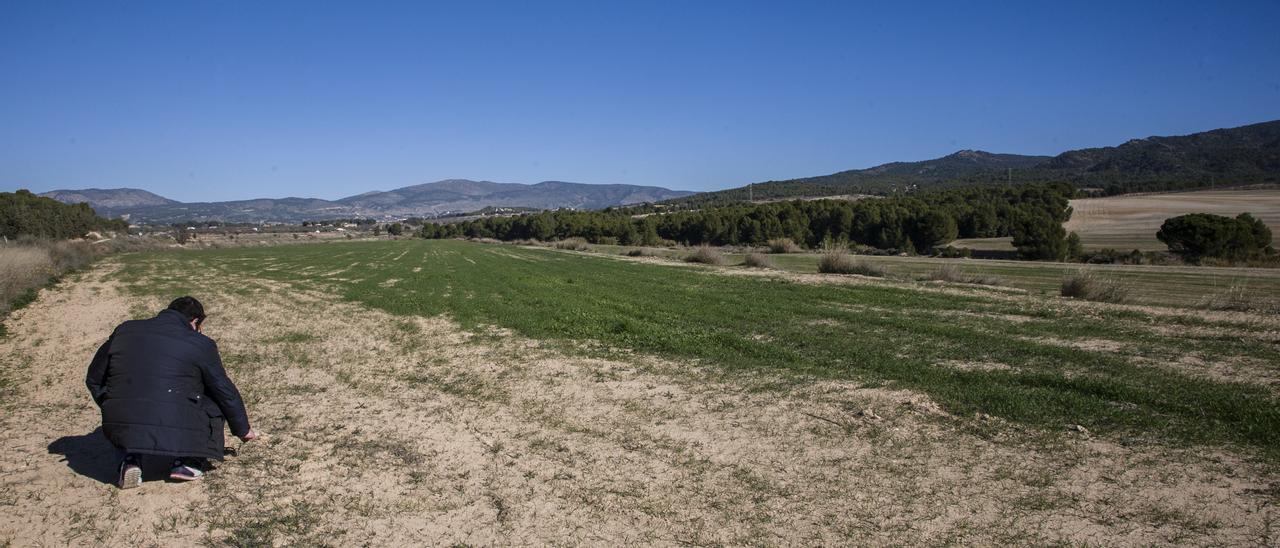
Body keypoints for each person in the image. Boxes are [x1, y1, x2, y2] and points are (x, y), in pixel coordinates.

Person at [86, 296, 257, 489]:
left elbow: (94, 378)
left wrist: (109, 401)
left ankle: (130, 459)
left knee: (129, 411)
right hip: (173, 413)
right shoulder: (200, 343)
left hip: (120, 416)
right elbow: (223, 390)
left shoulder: (125, 329)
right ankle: (188, 462)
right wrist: (243, 430)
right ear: (195, 322)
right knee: (212, 397)